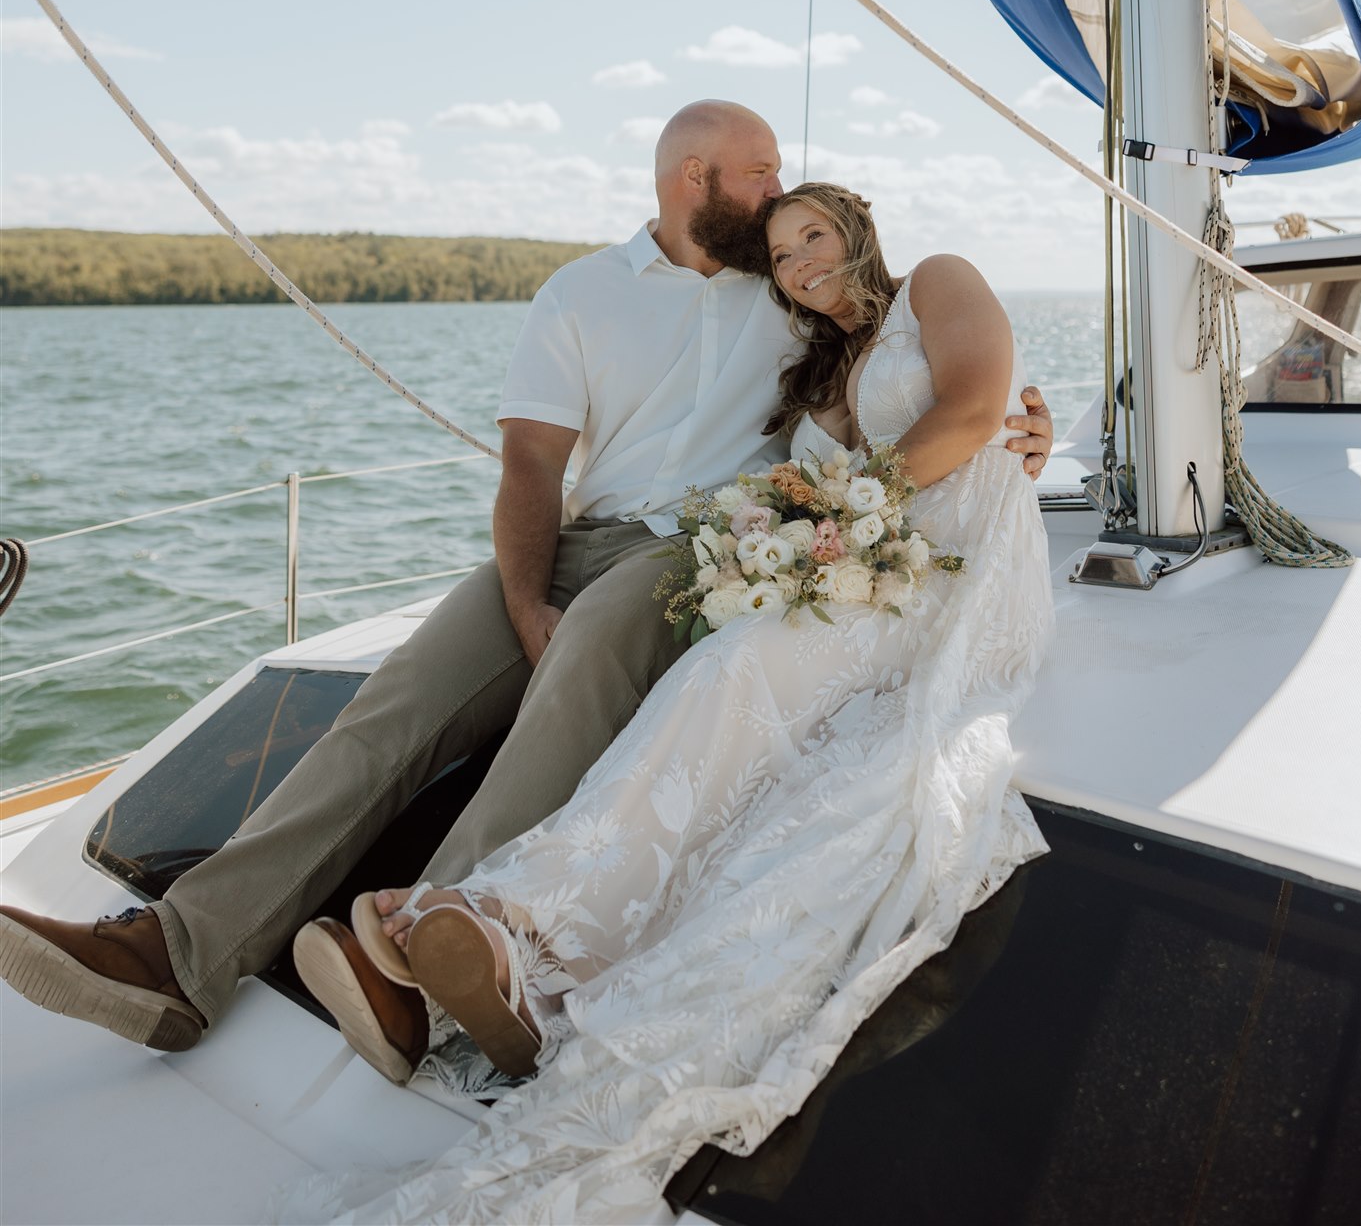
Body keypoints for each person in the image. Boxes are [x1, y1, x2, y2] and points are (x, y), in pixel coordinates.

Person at [0, 112, 1052, 1088]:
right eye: (760, 173)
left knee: (582, 666)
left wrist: (1021, 427)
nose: (780, 202)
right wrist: (519, 600)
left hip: (692, 546)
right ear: (695, 177)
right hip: (570, 536)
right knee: (395, 702)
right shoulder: (583, 292)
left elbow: (908, 371)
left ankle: (417, 961)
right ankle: (178, 953)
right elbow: (530, 467)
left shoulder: (792, 296)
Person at [280, 182, 1055, 1225]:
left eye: (812, 236)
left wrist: (857, 504)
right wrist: (800, 528)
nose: (800, 265)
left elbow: (970, 408)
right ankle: (520, 942)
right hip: (870, 567)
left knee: (730, 676)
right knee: (711, 677)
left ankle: (522, 935)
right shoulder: (827, 367)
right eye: (781, 257)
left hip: (959, 578)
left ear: (858, 226)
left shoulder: (939, 282)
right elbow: (814, 478)